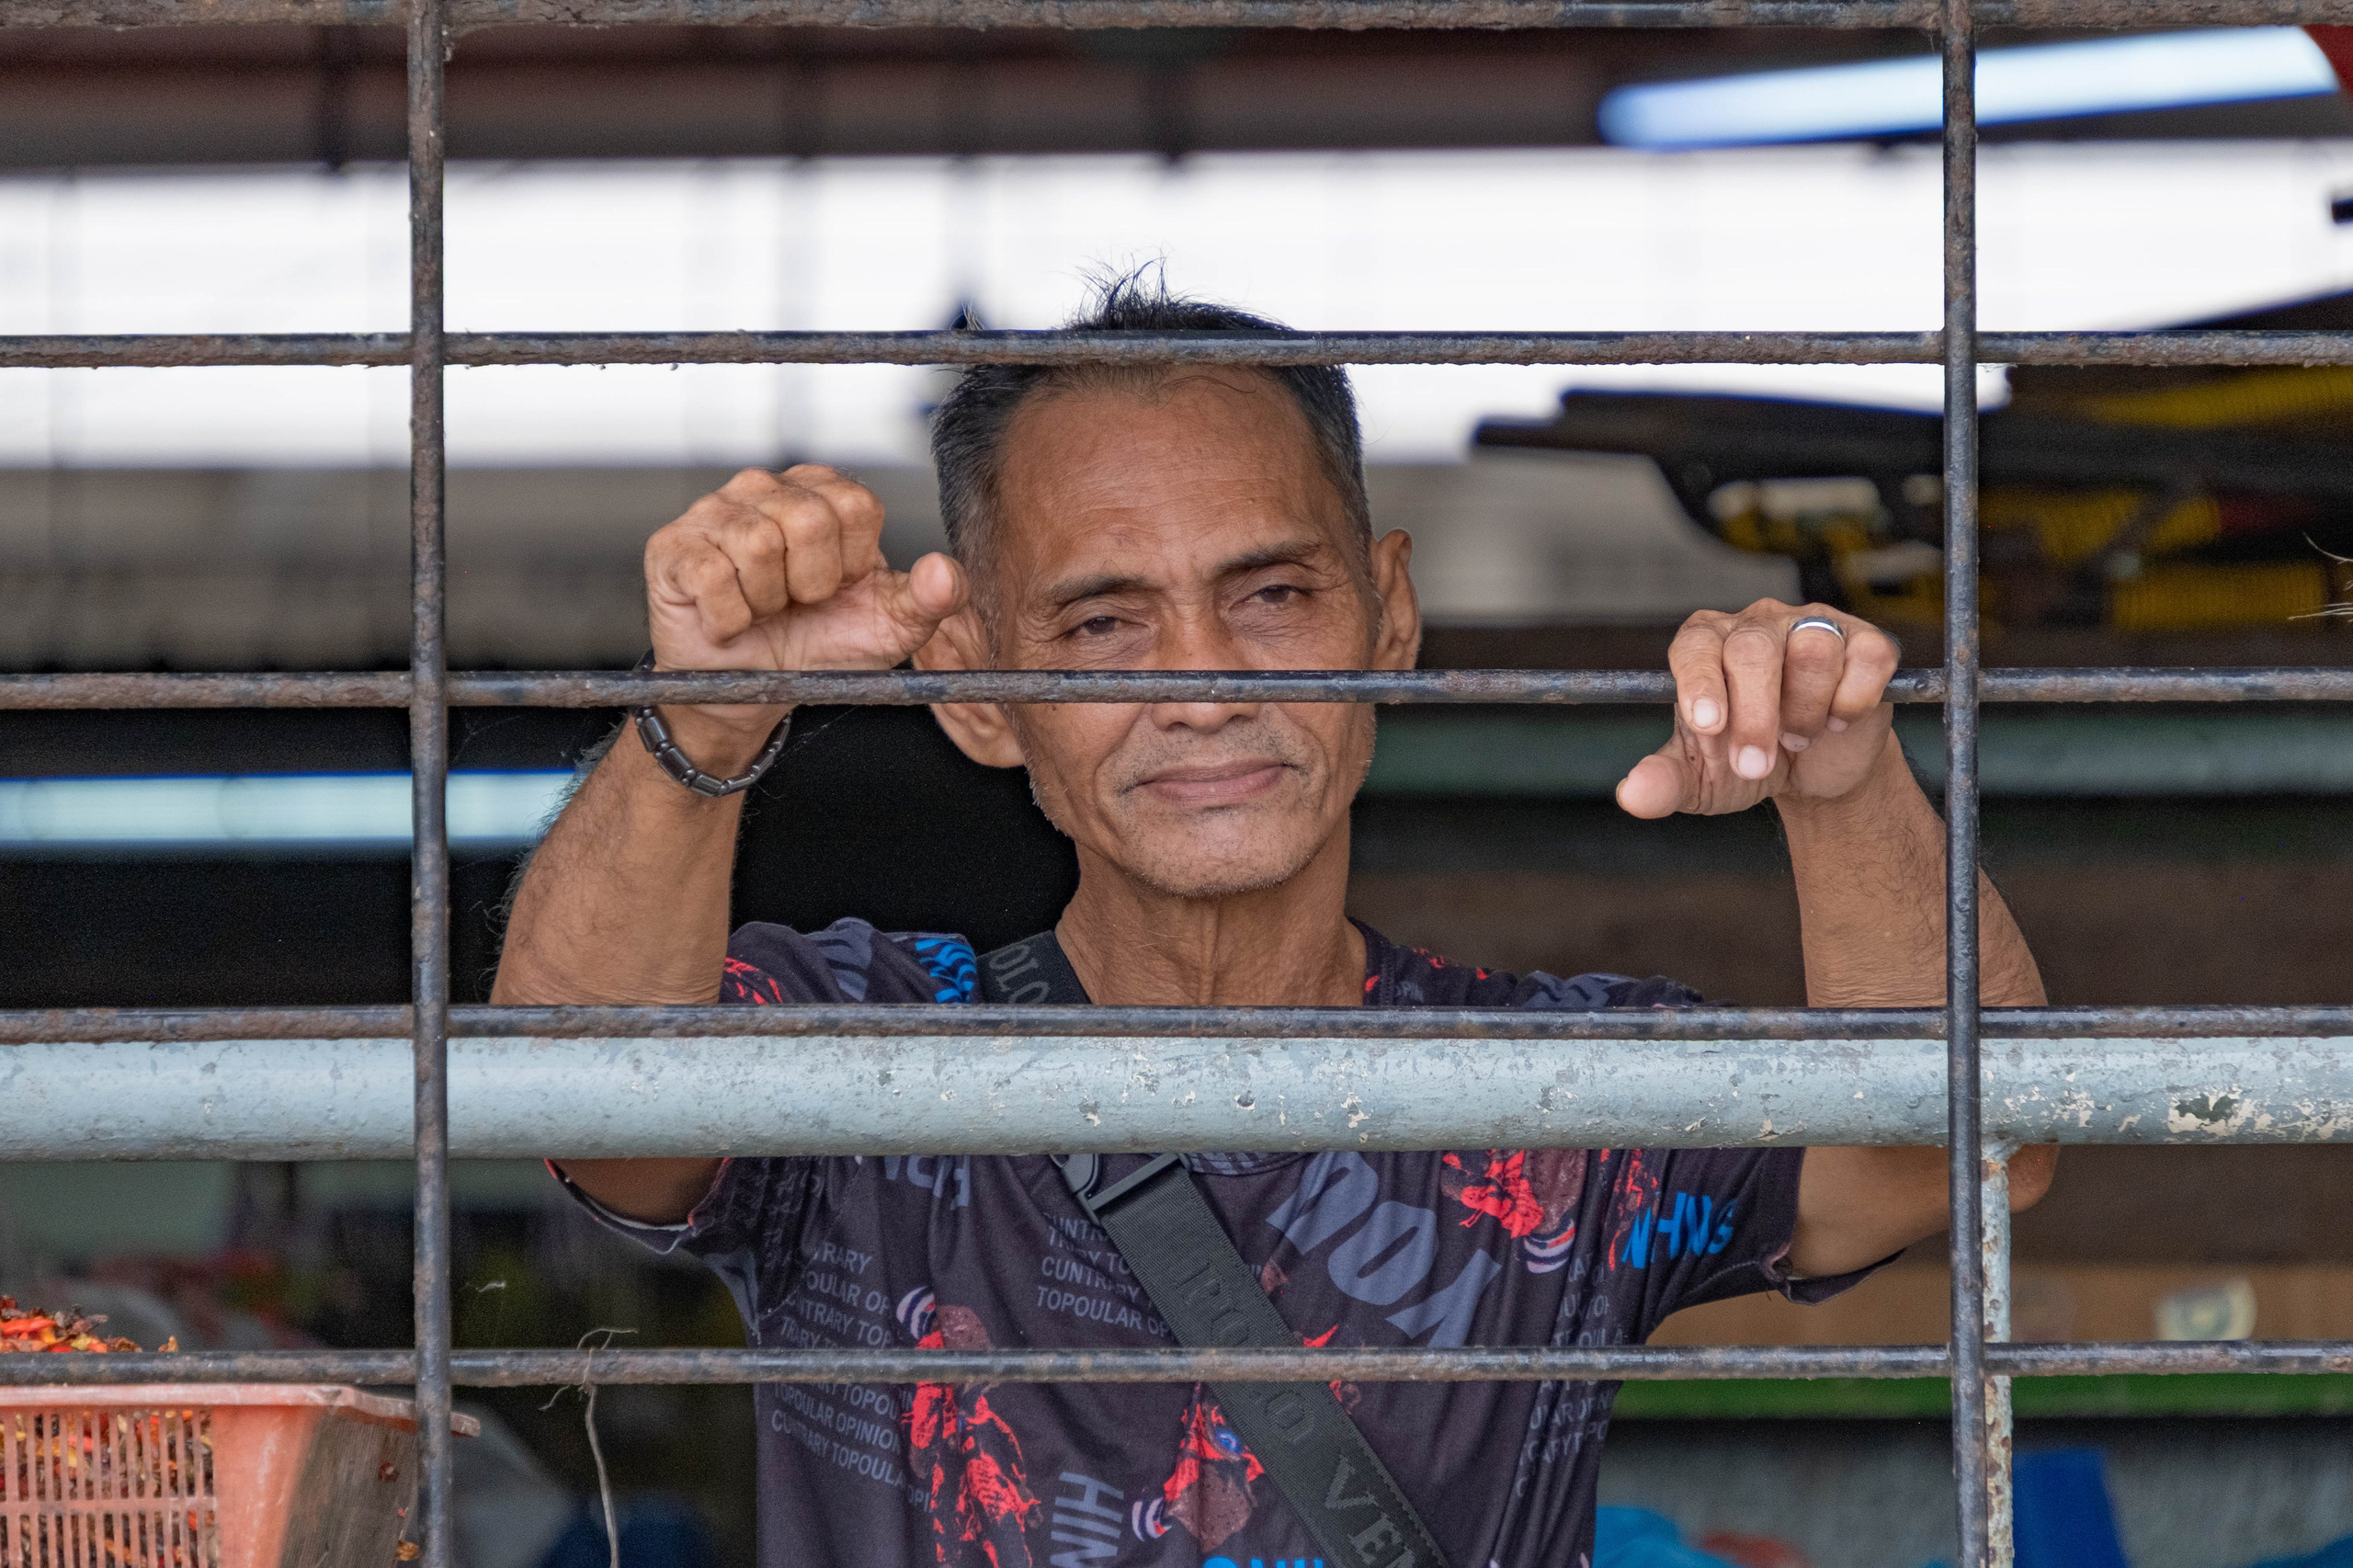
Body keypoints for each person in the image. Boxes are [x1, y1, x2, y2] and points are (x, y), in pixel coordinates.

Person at [495, 278, 2055, 1568]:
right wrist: (705, 714)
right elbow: (575, 1098)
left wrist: (1842, 776)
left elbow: (1975, 1154)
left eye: (1272, 594)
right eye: (1104, 622)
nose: (1203, 681)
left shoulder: (1566, 1096)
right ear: (973, 684)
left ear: (1388, 613)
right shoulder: (860, 1051)